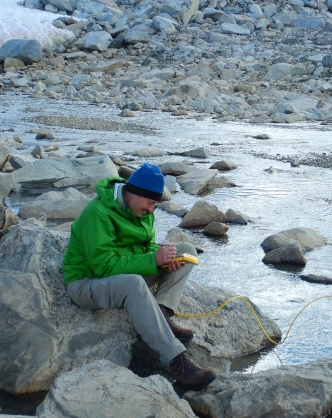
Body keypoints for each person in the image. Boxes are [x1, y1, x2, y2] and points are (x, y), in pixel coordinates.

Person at [62, 162, 216, 390]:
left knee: (186, 252)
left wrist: (163, 261)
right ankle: (177, 362)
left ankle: (160, 314)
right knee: (134, 284)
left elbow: (146, 248)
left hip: (121, 275)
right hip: (87, 282)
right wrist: (153, 261)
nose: (152, 210)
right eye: (150, 203)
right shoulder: (98, 213)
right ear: (132, 193)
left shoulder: (141, 211)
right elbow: (103, 267)